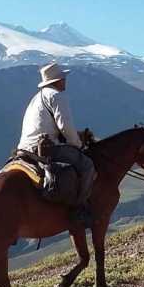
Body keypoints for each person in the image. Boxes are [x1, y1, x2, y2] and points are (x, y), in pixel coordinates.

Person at [18, 63, 97, 226]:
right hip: (46, 148)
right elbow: (65, 126)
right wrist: (77, 144)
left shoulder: (36, 98)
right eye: (63, 78)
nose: (65, 80)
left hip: (25, 148)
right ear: (58, 80)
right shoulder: (57, 96)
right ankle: (79, 209)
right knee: (87, 165)